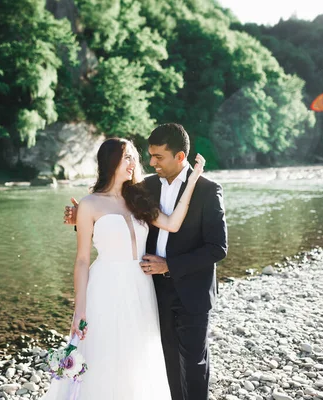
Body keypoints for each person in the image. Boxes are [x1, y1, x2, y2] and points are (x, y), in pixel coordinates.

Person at [65, 123, 228, 400]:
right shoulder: (145, 188)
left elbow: (216, 247)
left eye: (157, 157)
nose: (149, 163)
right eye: (146, 156)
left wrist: (170, 265)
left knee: (193, 364)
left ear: (179, 157)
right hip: (148, 288)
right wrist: (80, 219)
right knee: (155, 360)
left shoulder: (204, 190)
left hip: (188, 289)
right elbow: (110, 223)